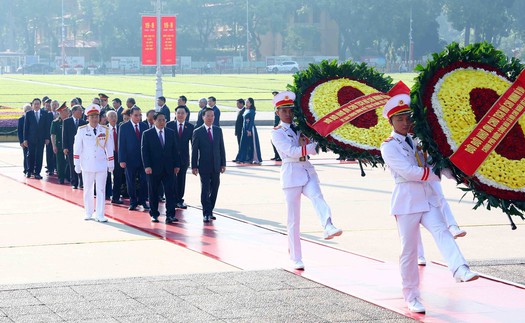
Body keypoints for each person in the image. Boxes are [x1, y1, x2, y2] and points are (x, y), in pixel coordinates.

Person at [379, 81, 478, 314]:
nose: (405, 123)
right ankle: (411, 296)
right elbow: (409, 172)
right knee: (409, 251)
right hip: (406, 202)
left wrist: (457, 176)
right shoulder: (388, 146)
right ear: (391, 121)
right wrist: (435, 174)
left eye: (407, 118)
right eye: (400, 119)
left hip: (427, 199)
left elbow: (436, 164)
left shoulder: (420, 140)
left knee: (442, 231)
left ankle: (460, 268)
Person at [271, 91, 343, 270]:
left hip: (307, 170)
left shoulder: (301, 126)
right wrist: (312, 147)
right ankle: (296, 257)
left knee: (318, 196)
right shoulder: (277, 133)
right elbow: (291, 152)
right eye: (284, 111)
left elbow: (314, 141)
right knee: (293, 220)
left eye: (290, 110)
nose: (288, 114)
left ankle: (328, 225)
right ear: (277, 112)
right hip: (291, 173)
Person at [73, 104, 114, 222]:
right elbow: (77, 148)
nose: (95, 119)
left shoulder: (105, 130)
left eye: (96, 116)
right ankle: (89, 212)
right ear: (88, 118)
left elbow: (109, 147)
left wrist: (111, 163)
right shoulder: (82, 130)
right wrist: (76, 163)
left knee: (101, 190)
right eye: (92, 117)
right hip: (87, 164)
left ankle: (100, 214)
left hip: (101, 164)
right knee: (88, 189)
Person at [141, 112, 180, 223]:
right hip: (153, 169)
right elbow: (145, 152)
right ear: (154, 121)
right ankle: (154, 214)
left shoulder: (171, 133)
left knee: (170, 192)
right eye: (159, 120)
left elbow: (175, 150)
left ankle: (170, 215)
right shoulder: (147, 134)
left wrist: (177, 164)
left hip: (169, 168)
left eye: (164, 120)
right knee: (153, 192)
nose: (162, 122)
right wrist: (147, 166)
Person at [191, 108, 226, 222]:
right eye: (208, 116)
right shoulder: (198, 131)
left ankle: (210, 210)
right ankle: (206, 212)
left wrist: (223, 163)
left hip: (216, 165)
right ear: (203, 117)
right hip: (204, 166)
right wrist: (194, 166)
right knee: (205, 189)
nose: (210, 118)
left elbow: (221, 148)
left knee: (215, 188)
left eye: (212, 116)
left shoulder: (218, 130)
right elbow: (195, 150)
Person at [118, 106, 149, 211]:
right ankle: (133, 201)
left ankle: (143, 200)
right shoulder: (124, 127)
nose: (138, 117)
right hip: (130, 159)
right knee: (130, 181)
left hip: (143, 159)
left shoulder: (144, 126)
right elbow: (121, 144)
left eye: (140, 115)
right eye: (136, 115)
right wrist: (121, 159)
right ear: (130, 115)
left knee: (144, 180)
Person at [167, 106, 194, 209]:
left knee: (181, 179)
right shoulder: (169, 125)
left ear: (186, 114)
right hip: (171, 158)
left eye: (183, 113)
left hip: (183, 158)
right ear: (175, 114)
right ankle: (171, 199)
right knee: (171, 179)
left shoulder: (190, 127)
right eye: (178, 113)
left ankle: (179, 199)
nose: (180, 115)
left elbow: (193, 144)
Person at [23, 98, 51, 179]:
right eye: (35, 104)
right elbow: (26, 127)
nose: (36, 105)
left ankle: (37, 172)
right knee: (30, 155)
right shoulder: (29, 114)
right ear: (32, 105)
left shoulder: (44, 113)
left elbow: (47, 127)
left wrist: (47, 138)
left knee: (39, 155)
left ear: (40, 105)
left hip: (41, 139)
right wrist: (25, 139)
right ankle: (29, 171)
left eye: (38, 104)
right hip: (31, 138)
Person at [63, 105, 87, 189]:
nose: (81, 113)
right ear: (73, 112)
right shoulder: (66, 121)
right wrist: (65, 147)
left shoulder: (83, 122)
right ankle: (74, 182)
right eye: (79, 111)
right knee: (72, 165)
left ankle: (82, 182)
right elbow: (64, 135)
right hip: (70, 147)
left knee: (81, 164)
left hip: (82, 148)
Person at [235, 97, 262, 164]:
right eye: (246, 102)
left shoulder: (252, 111)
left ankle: (254, 158)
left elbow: (252, 121)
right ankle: (242, 158)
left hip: (250, 129)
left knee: (251, 144)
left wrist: (249, 130)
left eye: (247, 102)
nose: (246, 103)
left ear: (251, 103)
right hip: (244, 128)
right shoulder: (246, 110)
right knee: (243, 144)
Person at [106, 110, 124, 204]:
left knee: (118, 176)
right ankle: (106, 194)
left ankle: (116, 197)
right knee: (106, 176)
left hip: (118, 154)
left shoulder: (121, 128)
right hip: (108, 155)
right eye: (111, 116)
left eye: (115, 116)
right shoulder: (104, 129)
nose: (113, 118)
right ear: (107, 118)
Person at [50, 102, 70, 184]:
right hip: (59, 144)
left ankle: (68, 176)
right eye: (66, 111)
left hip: (69, 144)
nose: (68, 112)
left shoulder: (70, 121)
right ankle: (61, 177)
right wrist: (54, 145)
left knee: (69, 162)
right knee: (60, 161)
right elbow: (52, 135)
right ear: (61, 112)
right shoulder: (55, 122)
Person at [17, 104, 32, 176]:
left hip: (32, 140)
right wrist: (21, 142)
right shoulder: (21, 119)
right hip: (24, 141)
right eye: (27, 110)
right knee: (26, 155)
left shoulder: (33, 118)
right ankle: (26, 169)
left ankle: (32, 169)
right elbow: (19, 131)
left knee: (32, 155)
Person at [43, 97, 56, 176]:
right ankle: (50, 168)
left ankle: (56, 167)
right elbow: (46, 127)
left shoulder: (59, 114)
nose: (54, 106)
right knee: (49, 153)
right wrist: (47, 138)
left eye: (56, 105)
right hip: (49, 137)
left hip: (58, 138)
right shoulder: (48, 115)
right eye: (53, 105)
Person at [270, 90, 281, 161]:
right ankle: (276, 155)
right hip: (275, 125)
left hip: (279, 126)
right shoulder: (276, 105)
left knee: (279, 141)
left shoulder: (280, 105)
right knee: (273, 141)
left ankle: (279, 156)